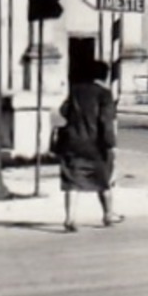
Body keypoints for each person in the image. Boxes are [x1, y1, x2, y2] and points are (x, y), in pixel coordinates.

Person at [55, 59, 121, 232]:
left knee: (72, 181)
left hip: (73, 142)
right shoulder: (104, 94)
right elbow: (106, 121)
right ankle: (108, 214)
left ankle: (70, 218)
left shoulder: (76, 90)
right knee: (103, 180)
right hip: (95, 145)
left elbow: (63, 111)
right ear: (105, 76)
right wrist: (111, 145)